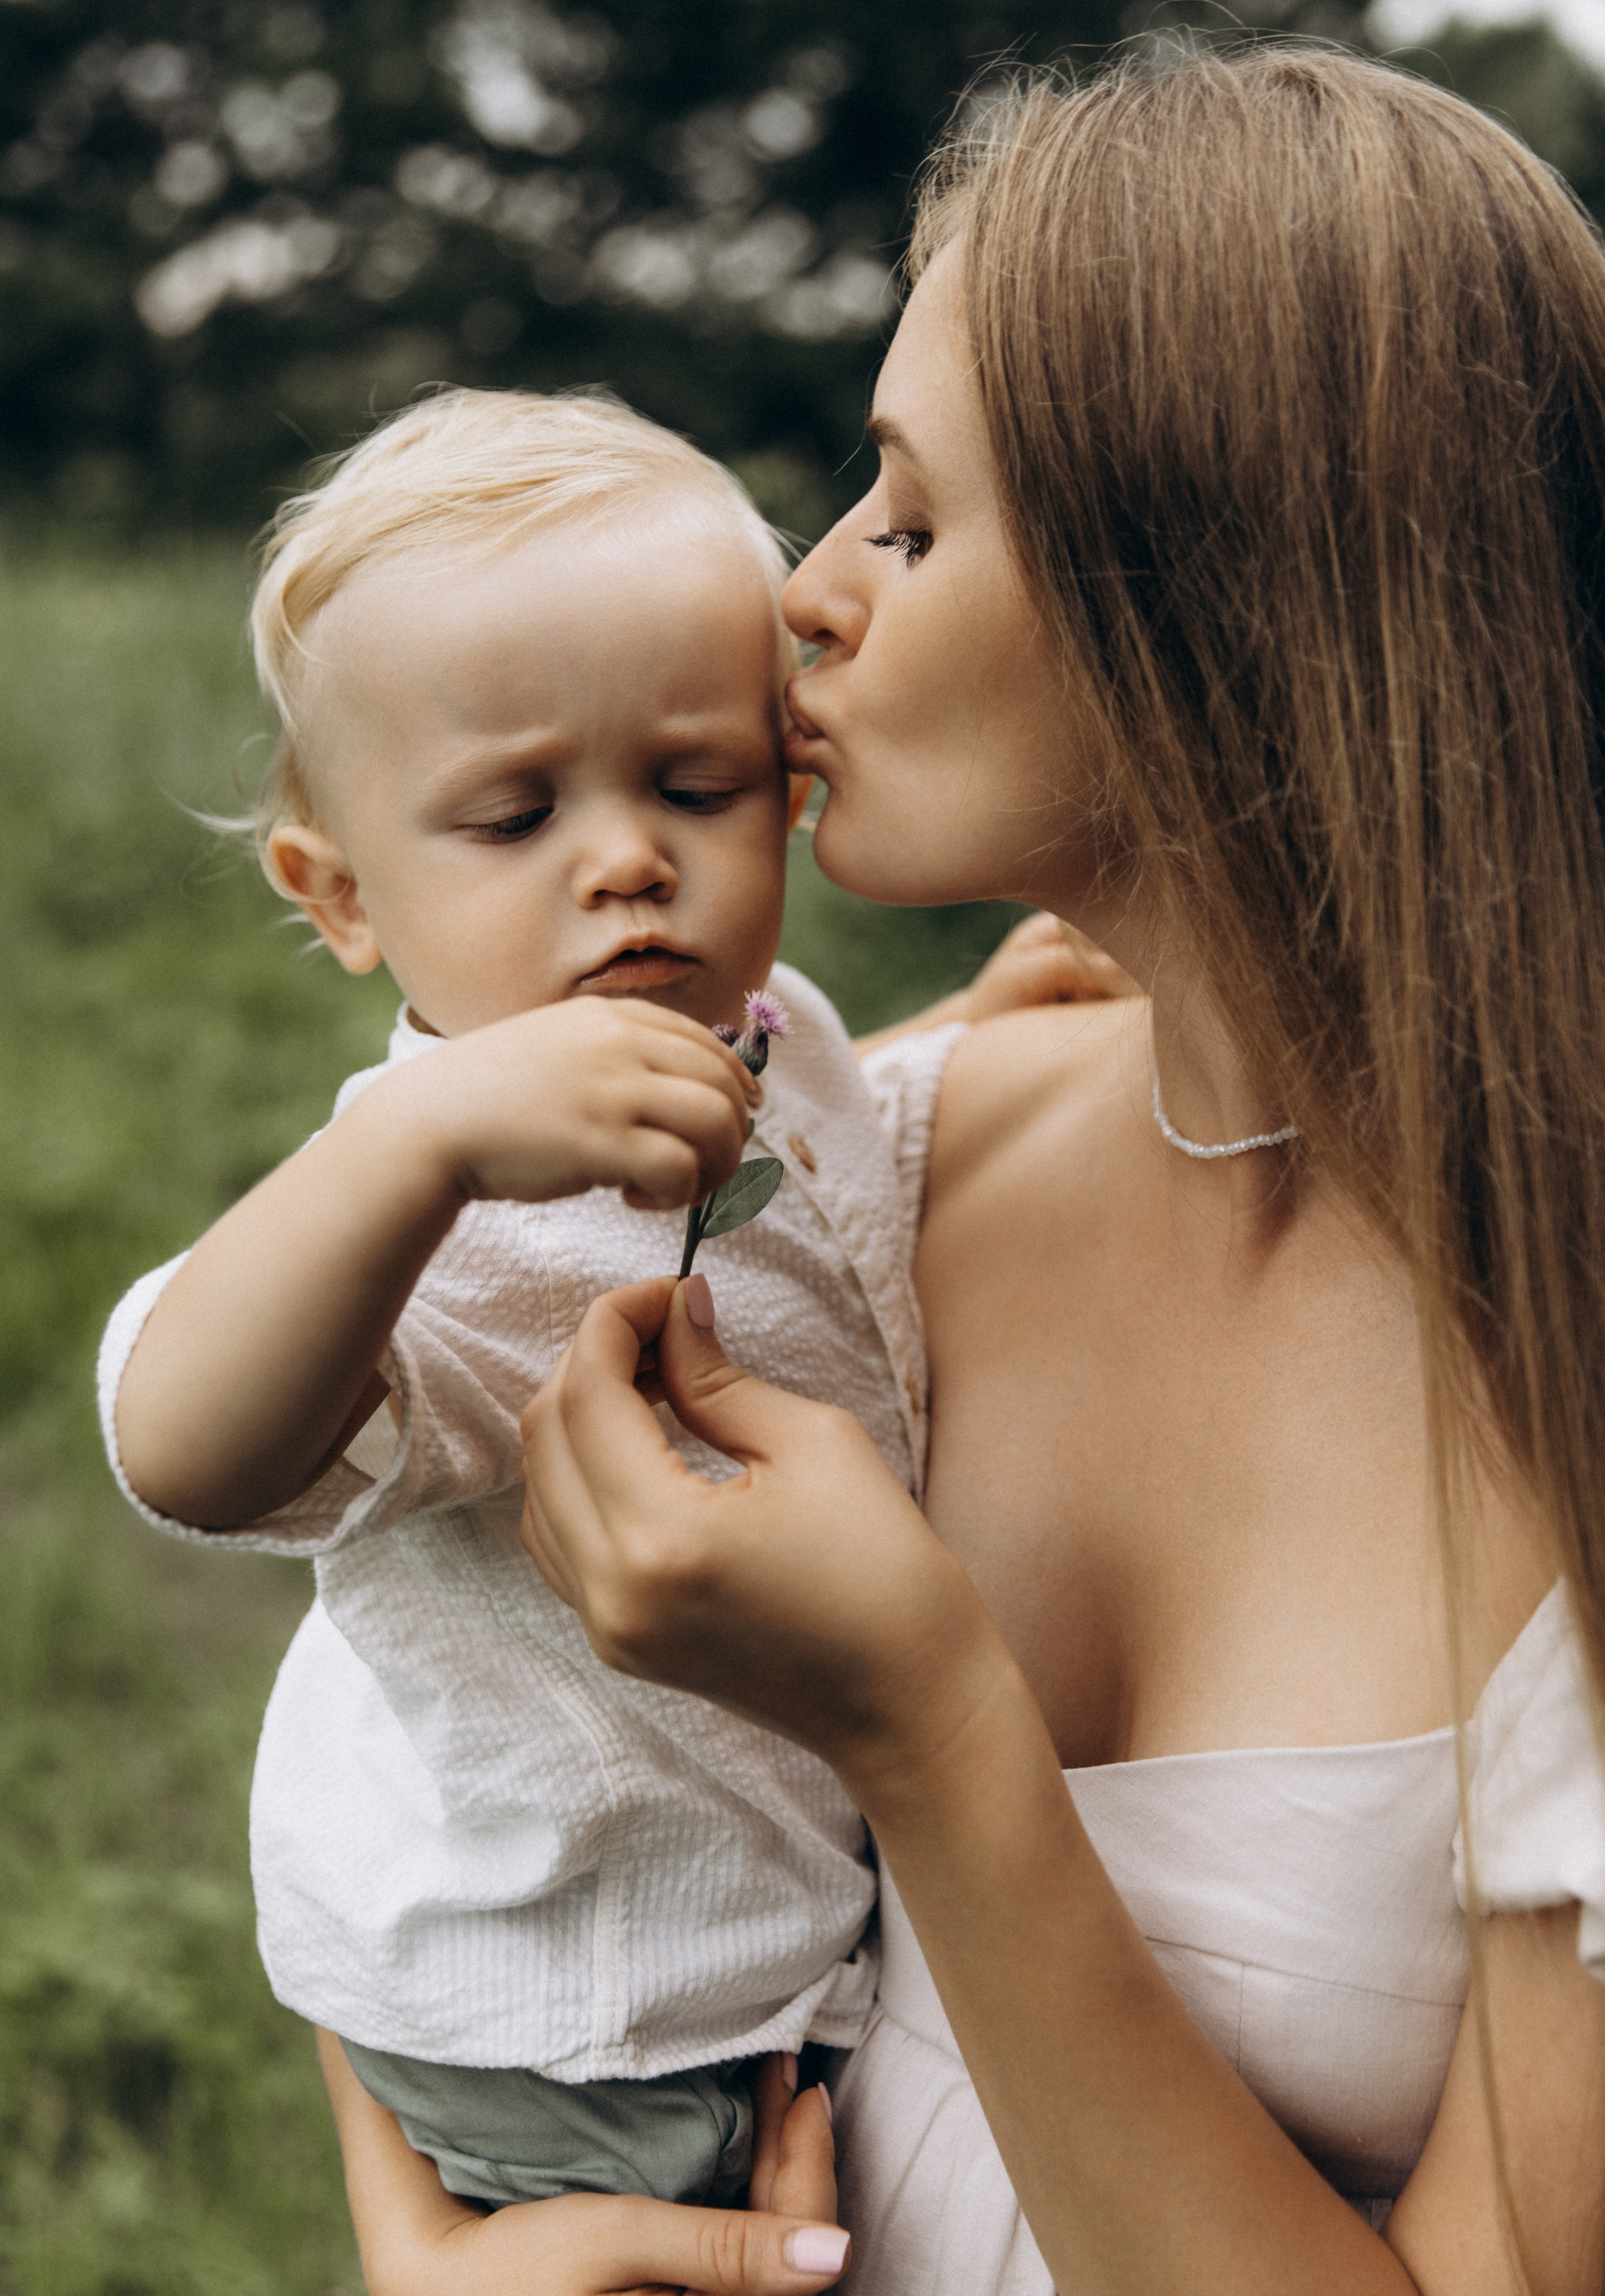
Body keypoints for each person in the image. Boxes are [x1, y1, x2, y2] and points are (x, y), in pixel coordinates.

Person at [502, 45, 1605, 2293]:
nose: (806, 594)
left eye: (907, 522)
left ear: (1225, 602)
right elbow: (418, 1600)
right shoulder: (881, 1154)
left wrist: (935, 1735)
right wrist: (422, 2223)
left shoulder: (1571, 1362)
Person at [95, 387, 1115, 2277]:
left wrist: (942, 1040)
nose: (628, 860)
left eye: (699, 787)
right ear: (341, 901)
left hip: (763, 1940)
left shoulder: (765, 1025)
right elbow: (182, 1444)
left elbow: (780, 1162)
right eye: (516, 813)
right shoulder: (423, 1220)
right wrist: (410, 1147)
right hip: (569, 2007)